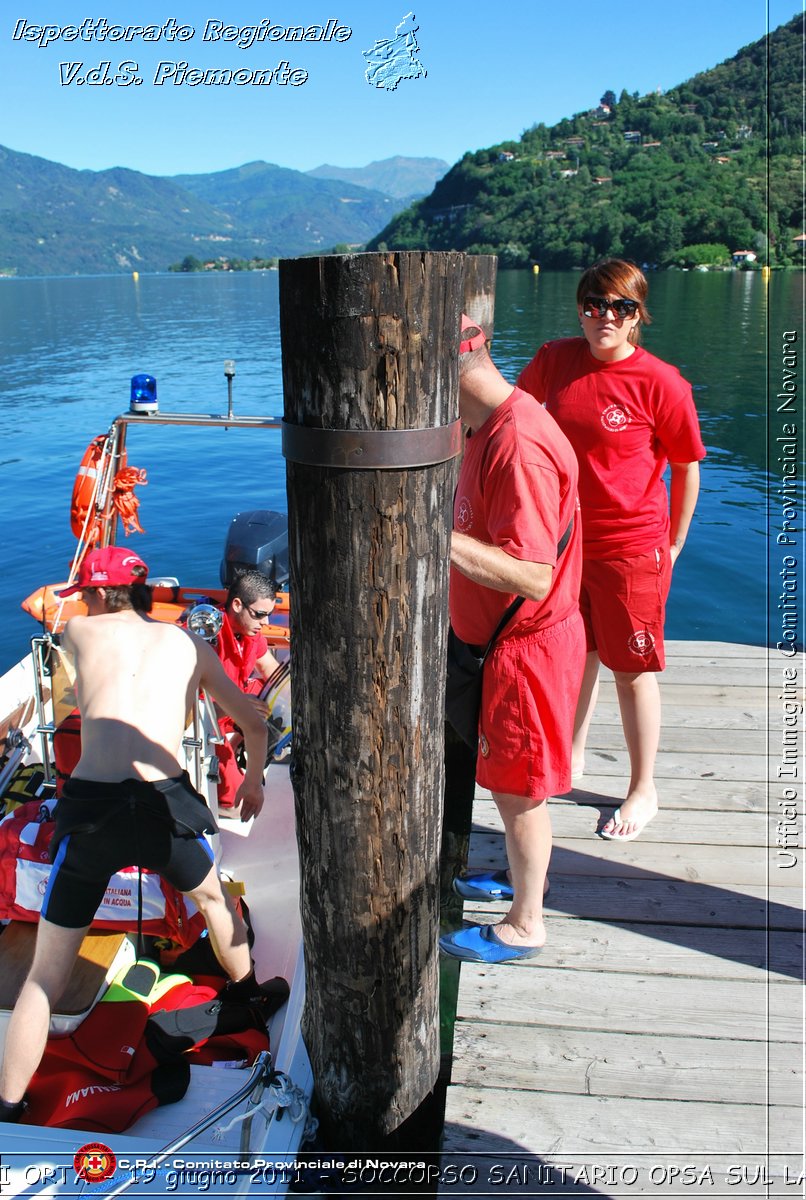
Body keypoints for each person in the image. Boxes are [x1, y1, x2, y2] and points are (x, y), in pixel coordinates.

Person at [0, 546, 282, 1122]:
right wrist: (252, 785)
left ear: (99, 595)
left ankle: (8, 1105)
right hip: (164, 805)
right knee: (214, 901)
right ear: (146, 589)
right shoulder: (188, 644)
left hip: (93, 811)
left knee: (46, 977)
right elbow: (254, 721)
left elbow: (67, 633)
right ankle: (250, 995)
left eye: (87, 591)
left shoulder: (78, 632)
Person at [517, 259, 706, 841]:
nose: (605, 316)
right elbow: (512, 414)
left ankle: (643, 788)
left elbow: (687, 464)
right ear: (580, 307)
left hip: (632, 549)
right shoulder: (556, 360)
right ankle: (571, 756)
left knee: (631, 669)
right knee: (579, 653)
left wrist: (673, 542)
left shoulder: (662, 383)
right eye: (594, 304)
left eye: (619, 307)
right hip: (568, 542)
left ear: (637, 315)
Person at [439, 316, 585, 964]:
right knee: (508, 786)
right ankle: (522, 879)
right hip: (501, 649)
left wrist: (432, 537)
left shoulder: (518, 444)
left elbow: (532, 573)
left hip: (523, 652)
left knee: (523, 795)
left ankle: (527, 922)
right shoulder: (487, 426)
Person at [213, 570, 281, 813]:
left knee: (274, 694)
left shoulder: (251, 632)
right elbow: (190, 711)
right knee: (233, 797)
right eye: (260, 615)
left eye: (269, 615)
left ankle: (238, 743)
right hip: (209, 717)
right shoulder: (209, 639)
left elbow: (270, 669)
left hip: (234, 703)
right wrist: (238, 705)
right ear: (237, 604)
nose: (266, 623)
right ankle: (231, 750)